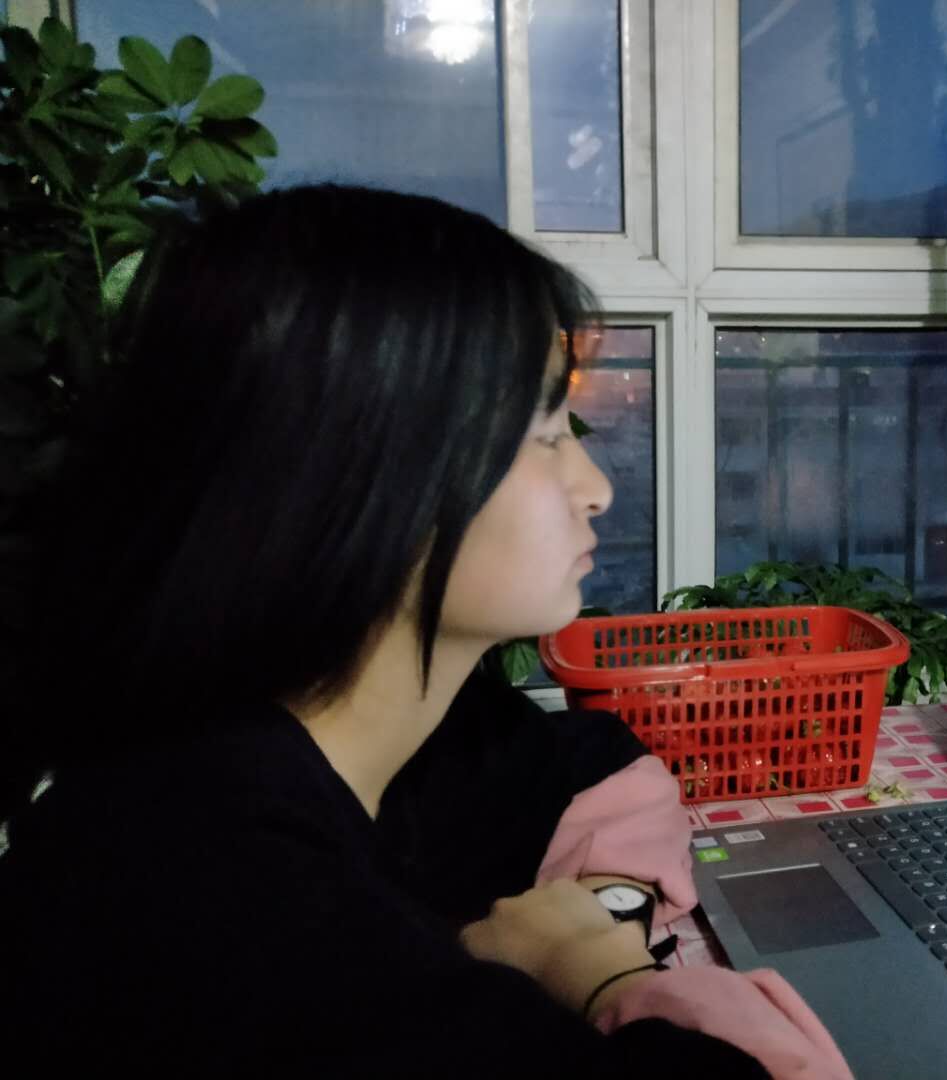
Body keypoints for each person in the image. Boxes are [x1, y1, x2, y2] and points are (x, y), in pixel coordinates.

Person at [0, 185, 851, 1077]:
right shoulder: (249, 924)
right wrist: (599, 972)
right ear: (368, 470)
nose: (596, 488)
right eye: (544, 433)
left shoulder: (266, 757)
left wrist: (607, 903)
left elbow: (584, 755)